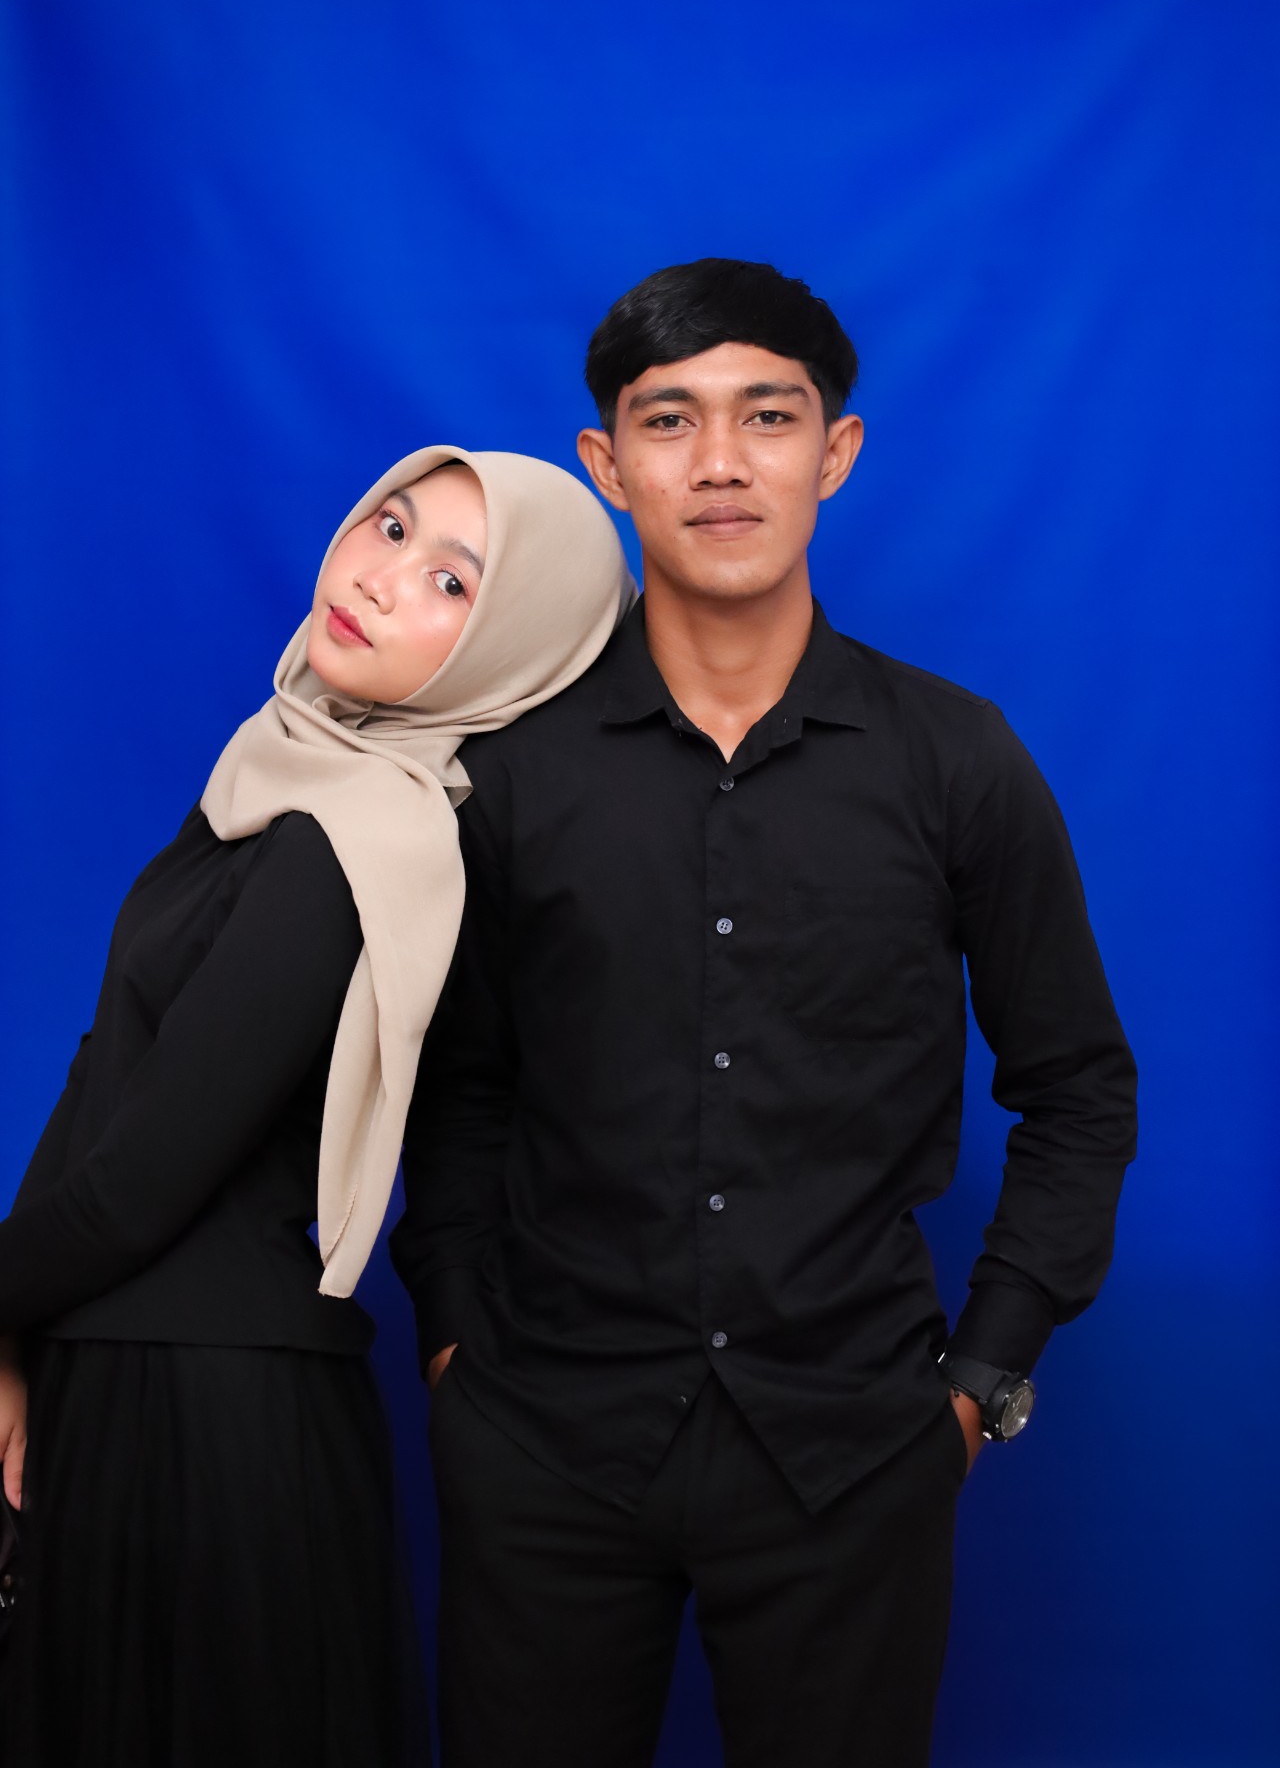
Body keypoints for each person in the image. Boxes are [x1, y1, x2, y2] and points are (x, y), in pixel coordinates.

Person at [390, 261, 1139, 1768]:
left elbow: (1077, 1089)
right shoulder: (508, 771)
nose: (721, 462)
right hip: (545, 1444)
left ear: (835, 453)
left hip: (856, 1452)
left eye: (768, 417)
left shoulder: (956, 760)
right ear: (607, 464)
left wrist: (978, 1382)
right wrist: (458, 1345)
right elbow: (456, 1081)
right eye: (669, 420)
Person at [0, 444, 632, 1768]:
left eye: (453, 581)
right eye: (390, 526)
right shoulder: (281, 775)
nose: (383, 577)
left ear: (508, 651)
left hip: (206, 1413)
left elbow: (147, 1173)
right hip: (126, 1363)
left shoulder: (360, 842)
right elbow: (103, 1073)